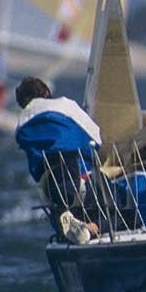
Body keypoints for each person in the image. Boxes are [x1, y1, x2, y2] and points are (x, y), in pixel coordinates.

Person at [13, 77, 106, 243]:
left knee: (61, 198)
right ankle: (94, 228)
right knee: (122, 210)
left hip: (50, 190)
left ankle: (68, 220)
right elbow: (97, 139)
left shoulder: (21, 123)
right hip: (82, 180)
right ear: (47, 92)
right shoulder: (64, 104)